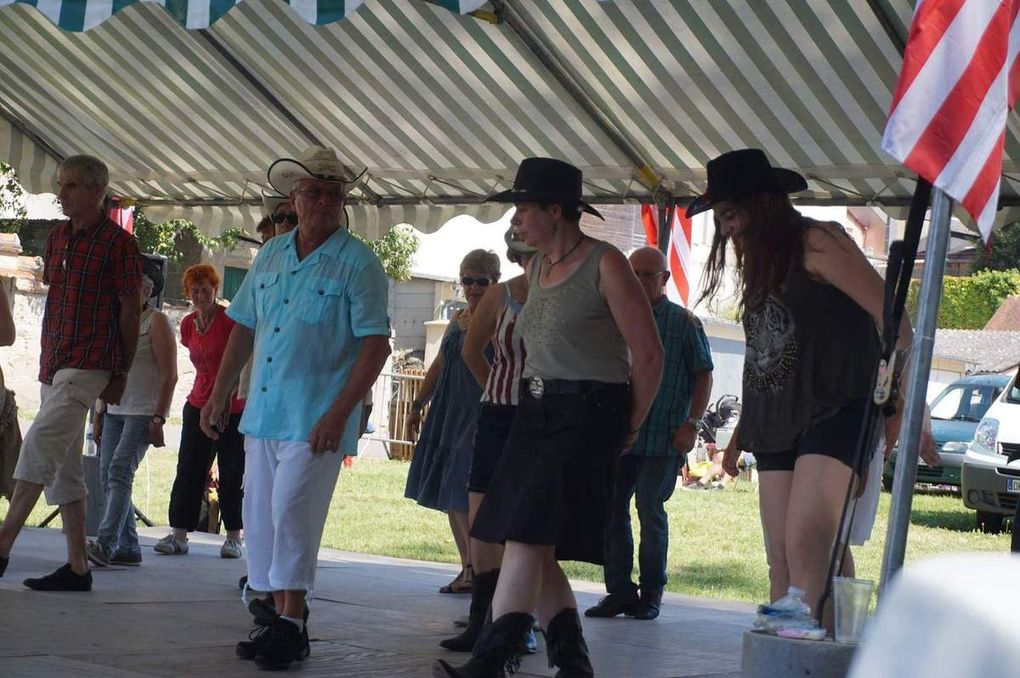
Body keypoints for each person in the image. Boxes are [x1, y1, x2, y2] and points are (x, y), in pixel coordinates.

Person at [435, 157, 663, 678]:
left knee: (525, 535)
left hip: (589, 411)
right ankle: (572, 657)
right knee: (527, 538)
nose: (515, 220)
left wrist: (628, 427)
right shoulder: (536, 269)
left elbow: (648, 357)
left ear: (554, 210)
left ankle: (492, 660)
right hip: (532, 410)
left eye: (523, 208)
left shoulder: (606, 264)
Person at [692, 149, 937, 625]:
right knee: (783, 557)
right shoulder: (761, 263)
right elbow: (767, 351)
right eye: (721, 218)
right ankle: (804, 649)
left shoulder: (817, 242)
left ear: (763, 204)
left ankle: (818, 652)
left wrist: (909, 404)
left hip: (835, 409)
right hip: (776, 420)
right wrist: (742, 430)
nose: (726, 229)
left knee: (807, 542)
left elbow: (895, 322)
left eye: (731, 215)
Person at [199, 145, 390, 670]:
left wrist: (341, 412)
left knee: (292, 515)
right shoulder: (273, 253)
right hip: (263, 411)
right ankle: (277, 618)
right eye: (313, 191)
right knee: (260, 517)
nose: (323, 201)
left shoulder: (360, 262)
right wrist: (219, 393)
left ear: (344, 201)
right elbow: (244, 326)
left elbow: (376, 345)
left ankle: (293, 620)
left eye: (334, 192)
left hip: (317, 418)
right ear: (293, 197)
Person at [0, 154, 142, 590]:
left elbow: (130, 311)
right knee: (64, 468)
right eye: (61, 185)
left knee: (39, 445)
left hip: (91, 362)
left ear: (97, 192)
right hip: (54, 361)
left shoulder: (119, 244)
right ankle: (78, 566)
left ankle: (2, 547)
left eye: (71, 187)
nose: (62, 194)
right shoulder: (57, 237)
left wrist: (120, 371)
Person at [585, 246, 713, 622]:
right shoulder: (614, 315)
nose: (640, 281)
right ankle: (620, 591)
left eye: (649, 275)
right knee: (611, 509)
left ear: (665, 279)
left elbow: (703, 373)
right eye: (634, 273)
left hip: (664, 436)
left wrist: (691, 424)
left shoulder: (683, 323)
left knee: (649, 509)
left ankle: (652, 592)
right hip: (620, 434)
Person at [441, 228, 536, 652]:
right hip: (499, 414)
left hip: (543, 419)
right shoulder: (502, 294)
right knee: (481, 520)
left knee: (527, 525)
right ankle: (482, 620)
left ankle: (521, 622)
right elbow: (469, 350)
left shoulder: (572, 292)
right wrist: (496, 391)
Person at [404, 249, 500, 595]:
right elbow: (440, 365)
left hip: (479, 415)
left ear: (495, 282)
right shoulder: (459, 319)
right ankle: (468, 567)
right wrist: (417, 405)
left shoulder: (501, 320)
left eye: (481, 281)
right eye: (467, 280)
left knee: (466, 496)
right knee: (450, 496)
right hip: (448, 413)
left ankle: (480, 570)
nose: (473, 288)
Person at [87, 259, 177, 567]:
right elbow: (108, 371)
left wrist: (159, 417)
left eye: (134, 286)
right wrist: (99, 413)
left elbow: (169, 374)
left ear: (148, 291)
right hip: (113, 409)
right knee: (107, 474)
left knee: (119, 472)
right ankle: (129, 546)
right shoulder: (118, 321)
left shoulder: (157, 322)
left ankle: (106, 542)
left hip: (142, 412)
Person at [155, 264, 245, 558]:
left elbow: (241, 362)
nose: (200, 295)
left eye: (206, 290)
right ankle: (179, 534)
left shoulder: (229, 320)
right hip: (197, 403)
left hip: (232, 407)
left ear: (216, 291)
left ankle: (234, 536)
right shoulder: (188, 324)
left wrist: (225, 398)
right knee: (189, 468)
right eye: (195, 290)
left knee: (232, 471)